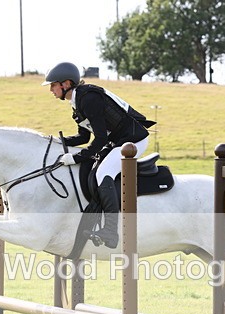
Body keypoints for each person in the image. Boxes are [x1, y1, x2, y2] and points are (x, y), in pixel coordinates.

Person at [44, 61, 155, 248]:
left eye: (53, 85)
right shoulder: (78, 101)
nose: (51, 90)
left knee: (103, 173)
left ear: (66, 83)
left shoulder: (88, 99)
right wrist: (57, 141)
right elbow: (84, 137)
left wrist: (76, 158)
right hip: (118, 141)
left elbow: (101, 138)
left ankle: (111, 231)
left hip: (133, 141)